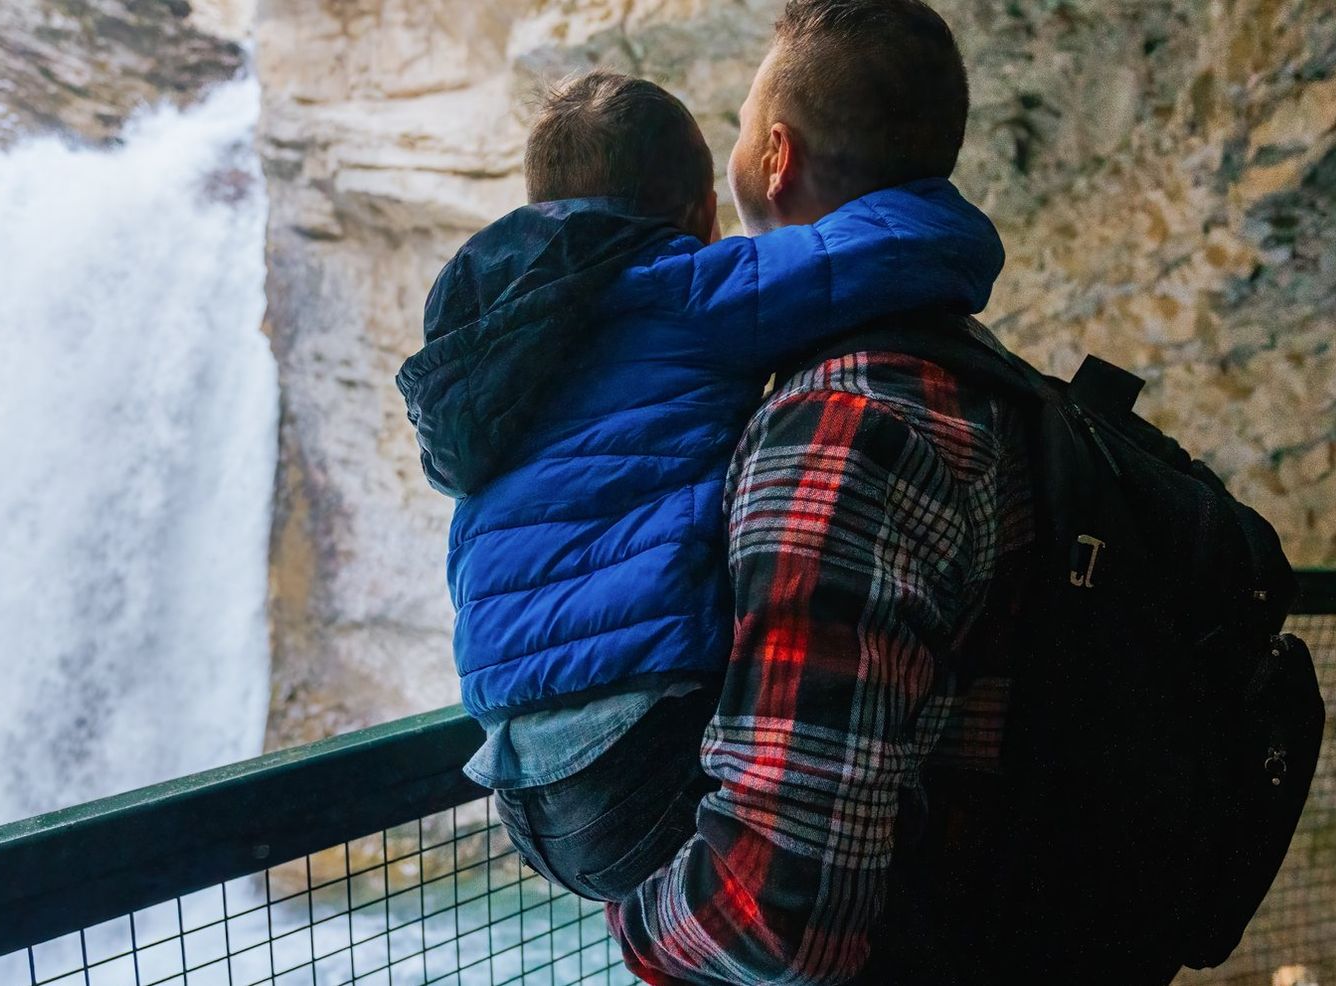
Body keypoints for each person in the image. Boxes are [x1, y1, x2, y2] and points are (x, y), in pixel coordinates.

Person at [395, 65, 1005, 906]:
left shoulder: (482, 349)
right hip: (646, 752)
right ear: (697, 217)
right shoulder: (678, 292)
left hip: (516, 782)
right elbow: (901, 249)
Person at [603, 2, 1038, 983]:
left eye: (741, 127)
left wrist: (620, 905)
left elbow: (770, 914)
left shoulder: (838, 427)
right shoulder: (972, 371)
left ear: (772, 157)